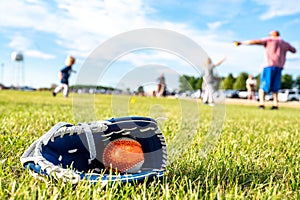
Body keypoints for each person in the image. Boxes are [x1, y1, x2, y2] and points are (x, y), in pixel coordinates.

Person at [235, 30, 296, 109]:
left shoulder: (270, 40)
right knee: (275, 87)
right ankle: (275, 104)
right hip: (279, 67)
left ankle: (262, 104)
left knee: (263, 85)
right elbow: (294, 50)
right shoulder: (284, 43)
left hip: (269, 65)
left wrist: (242, 43)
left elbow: (255, 41)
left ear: (272, 35)